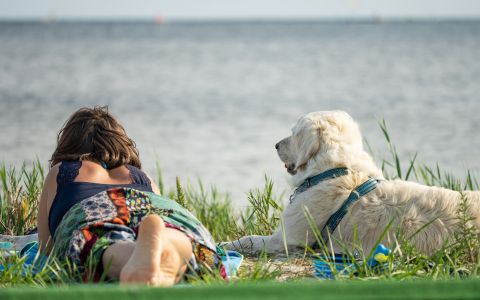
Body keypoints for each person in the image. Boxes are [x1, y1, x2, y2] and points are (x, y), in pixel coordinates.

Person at [37, 106, 225, 285]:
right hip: (157, 209)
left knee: (100, 243)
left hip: (94, 210)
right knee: (174, 230)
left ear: (69, 143)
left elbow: (46, 247)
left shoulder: (62, 171)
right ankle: (171, 245)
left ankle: (133, 256)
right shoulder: (143, 177)